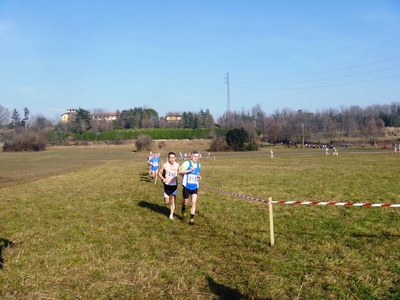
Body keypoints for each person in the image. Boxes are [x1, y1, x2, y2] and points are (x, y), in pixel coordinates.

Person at [179, 150, 202, 225]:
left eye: (197, 157)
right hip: (186, 186)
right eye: (194, 156)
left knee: (193, 202)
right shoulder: (187, 163)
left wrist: (199, 176)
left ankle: (191, 218)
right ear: (191, 156)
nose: (196, 158)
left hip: (195, 186)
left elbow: (197, 174)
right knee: (185, 202)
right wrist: (189, 170)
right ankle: (183, 208)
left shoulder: (199, 165)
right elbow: (180, 171)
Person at [158, 152, 180, 220]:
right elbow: (159, 173)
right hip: (167, 185)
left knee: (173, 200)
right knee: (167, 201)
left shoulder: (177, 165)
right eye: (170, 157)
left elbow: (180, 172)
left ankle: (171, 214)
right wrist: (163, 178)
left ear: (175, 158)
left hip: (174, 185)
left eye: (173, 157)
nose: (172, 159)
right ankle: (166, 197)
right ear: (168, 158)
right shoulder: (165, 165)